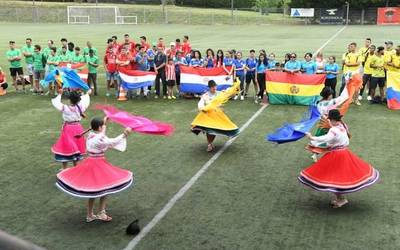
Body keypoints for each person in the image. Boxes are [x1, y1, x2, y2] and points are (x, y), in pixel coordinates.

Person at [56, 117, 134, 222]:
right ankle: (101, 212)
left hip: (90, 163)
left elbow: (102, 134)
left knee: (92, 191)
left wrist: (104, 123)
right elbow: (113, 141)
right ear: (99, 127)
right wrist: (125, 134)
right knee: (105, 188)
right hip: (99, 165)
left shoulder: (90, 135)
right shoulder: (100, 138)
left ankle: (90, 215)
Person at [300, 109, 379, 208]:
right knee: (339, 176)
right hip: (344, 152)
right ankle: (340, 198)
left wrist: (312, 138)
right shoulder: (343, 125)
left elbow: (326, 138)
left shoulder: (333, 130)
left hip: (337, 155)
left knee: (336, 177)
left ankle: (341, 199)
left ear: (332, 119)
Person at [191, 80, 240, 152]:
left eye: (215, 86)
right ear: (209, 87)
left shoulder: (220, 93)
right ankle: (209, 144)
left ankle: (210, 143)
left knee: (216, 129)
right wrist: (202, 108)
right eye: (212, 87)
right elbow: (200, 104)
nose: (214, 88)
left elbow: (229, 95)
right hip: (208, 116)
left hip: (218, 115)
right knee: (210, 130)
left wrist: (234, 89)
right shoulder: (205, 96)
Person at [51, 89, 91, 170]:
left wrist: (60, 94)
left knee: (65, 146)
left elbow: (56, 103)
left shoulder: (65, 108)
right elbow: (86, 100)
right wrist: (87, 94)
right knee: (76, 147)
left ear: (69, 100)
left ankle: (65, 168)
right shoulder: (81, 106)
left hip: (68, 129)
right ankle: (75, 167)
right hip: (78, 128)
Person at [307, 86, 349, 162]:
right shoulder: (330, 102)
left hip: (322, 122)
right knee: (329, 140)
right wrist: (347, 86)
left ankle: (315, 154)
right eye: (331, 95)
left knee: (322, 138)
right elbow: (342, 98)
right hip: (329, 122)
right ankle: (329, 156)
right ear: (329, 95)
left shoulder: (319, 103)